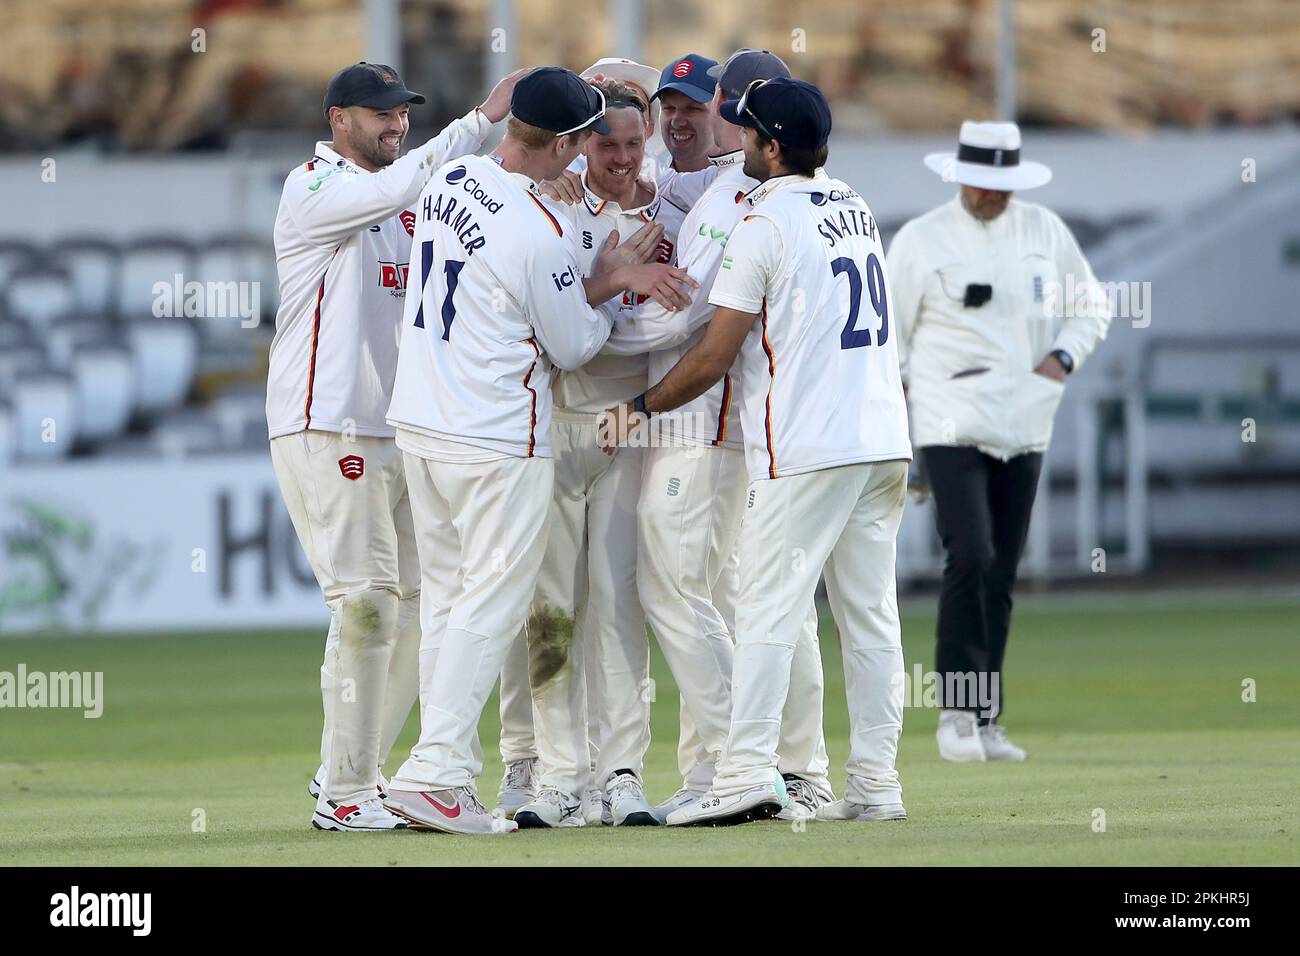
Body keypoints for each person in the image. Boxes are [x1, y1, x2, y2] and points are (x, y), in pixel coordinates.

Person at [380, 67, 694, 835]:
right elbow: (577, 344)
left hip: (422, 423)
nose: (595, 151)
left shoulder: (455, 176)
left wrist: (593, 280)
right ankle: (442, 771)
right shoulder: (536, 227)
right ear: (560, 142)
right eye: (586, 138)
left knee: (455, 601)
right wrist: (609, 279)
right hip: (496, 436)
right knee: (496, 604)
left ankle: (450, 771)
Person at [601, 77, 914, 827]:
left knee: (767, 608)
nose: (734, 140)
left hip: (809, 444)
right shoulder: (854, 205)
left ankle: (745, 771)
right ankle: (874, 784)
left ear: (772, 148)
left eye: (746, 132)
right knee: (870, 617)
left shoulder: (763, 224)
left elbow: (713, 356)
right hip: (882, 438)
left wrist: (638, 407)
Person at [266, 60, 522, 832]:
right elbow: (395, 187)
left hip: (402, 428)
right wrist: (480, 122)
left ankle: (352, 776)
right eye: (379, 113)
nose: (395, 123)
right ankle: (347, 791)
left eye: (403, 111)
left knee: (416, 609)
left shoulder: (410, 197)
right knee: (369, 605)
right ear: (337, 117)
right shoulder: (313, 188)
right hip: (328, 421)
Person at [888, 121, 1112, 762]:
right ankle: (955, 714)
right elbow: (894, 345)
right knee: (973, 556)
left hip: (1026, 423)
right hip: (948, 420)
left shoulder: (1043, 230)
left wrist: (1061, 359)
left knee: (1003, 571)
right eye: (982, 183)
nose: (992, 196)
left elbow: (1090, 305)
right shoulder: (922, 241)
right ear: (960, 177)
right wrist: (906, 439)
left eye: (1002, 185)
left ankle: (986, 717)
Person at [511, 78, 688, 829]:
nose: (618, 156)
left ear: (647, 136)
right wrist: (612, 282)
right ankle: (556, 775)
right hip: (553, 425)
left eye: (630, 141)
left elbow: (680, 320)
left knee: (617, 606)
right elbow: (539, 313)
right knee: (550, 607)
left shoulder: (670, 211)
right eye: (603, 142)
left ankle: (619, 774)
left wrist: (613, 291)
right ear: (581, 142)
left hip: (626, 429)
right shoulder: (551, 205)